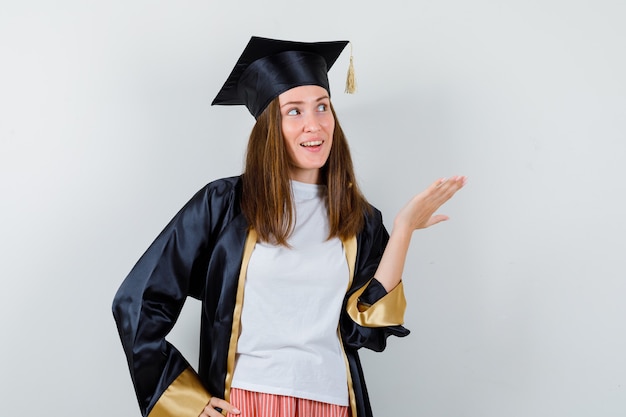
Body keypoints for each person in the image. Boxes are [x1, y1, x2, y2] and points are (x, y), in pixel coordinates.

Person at [112, 36, 466, 417]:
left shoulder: (359, 218)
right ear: (269, 127)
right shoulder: (224, 203)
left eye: (322, 107)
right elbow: (137, 302)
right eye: (293, 111)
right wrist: (187, 403)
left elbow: (363, 329)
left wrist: (403, 230)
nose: (314, 125)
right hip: (245, 401)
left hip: (332, 403)